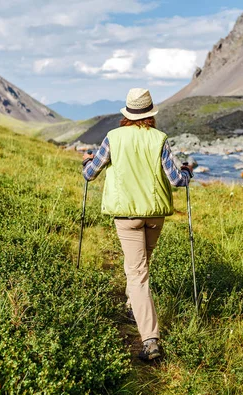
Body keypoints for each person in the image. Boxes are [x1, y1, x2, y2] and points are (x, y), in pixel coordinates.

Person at [82, 88, 193, 361]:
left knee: (137, 272)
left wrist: (86, 159)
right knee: (141, 266)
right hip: (155, 215)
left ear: (127, 113)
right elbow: (177, 180)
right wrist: (188, 171)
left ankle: (150, 341)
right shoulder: (160, 139)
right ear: (150, 113)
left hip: (127, 216)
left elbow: (89, 173)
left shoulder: (113, 138)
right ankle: (134, 304)